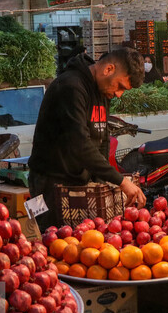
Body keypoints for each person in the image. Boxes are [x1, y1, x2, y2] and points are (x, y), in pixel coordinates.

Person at [28, 48, 147, 231]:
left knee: (83, 246)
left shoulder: (103, 90)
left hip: (78, 184)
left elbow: (103, 138)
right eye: (120, 86)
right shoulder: (70, 86)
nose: (119, 94)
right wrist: (121, 181)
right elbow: (79, 144)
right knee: (50, 240)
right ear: (109, 69)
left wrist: (100, 181)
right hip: (49, 185)